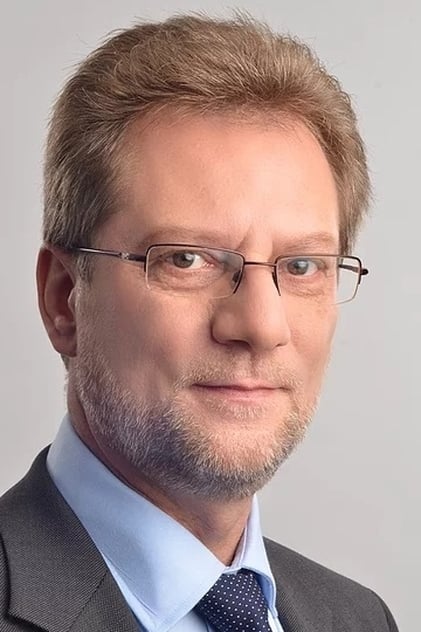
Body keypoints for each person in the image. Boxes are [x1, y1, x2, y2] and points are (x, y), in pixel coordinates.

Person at [0, 13, 399, 632]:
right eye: (186, 259)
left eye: (301, 266)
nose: (261, 325)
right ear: (63, 299)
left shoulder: (358, 618)